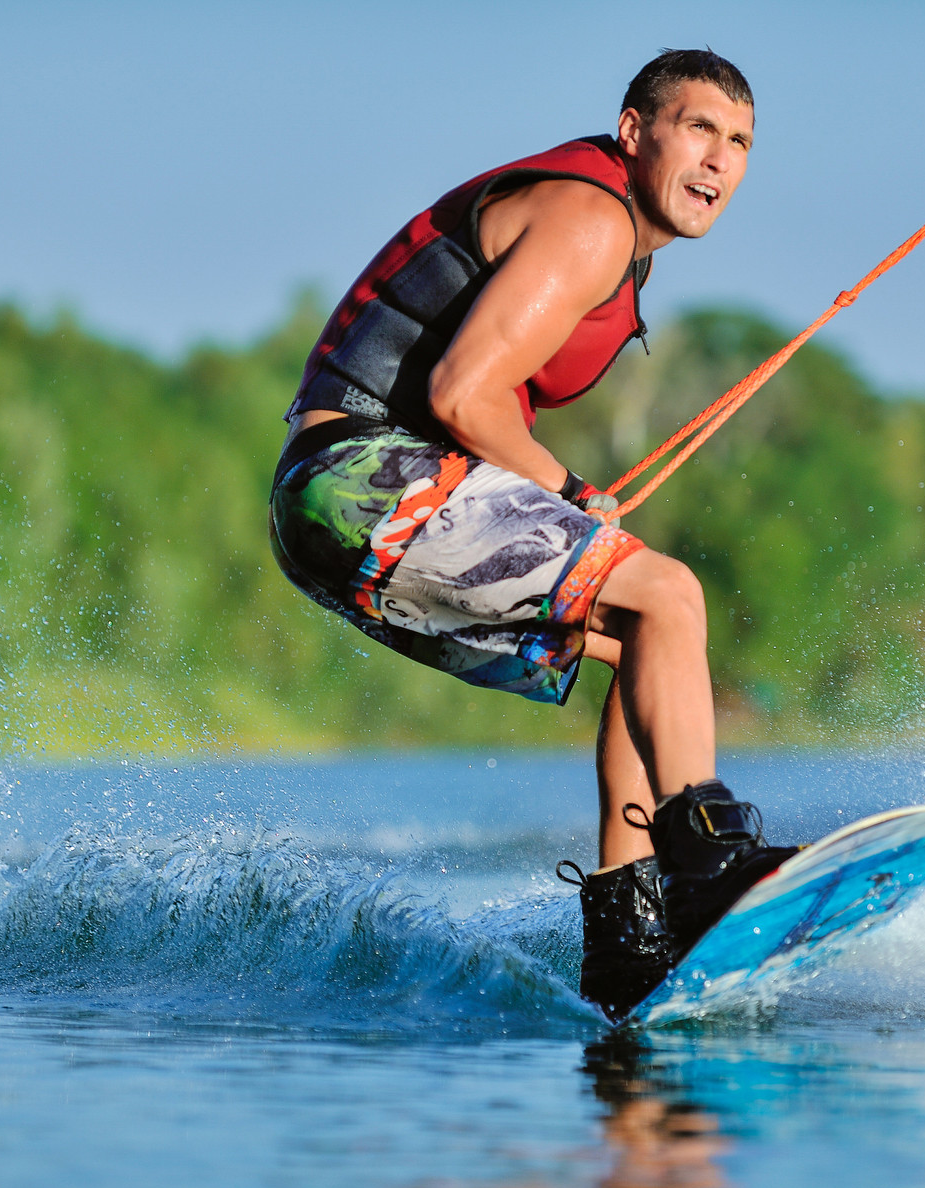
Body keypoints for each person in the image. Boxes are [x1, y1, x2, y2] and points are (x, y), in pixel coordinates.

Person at [269, 50, 793, 1019]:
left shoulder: (611, 237)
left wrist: (561, 500)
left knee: (653, 635)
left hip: (336, 505)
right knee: (669, 591)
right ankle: (712, 862)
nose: (718, 159)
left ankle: (627, 943)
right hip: (359, 482)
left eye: (739, 142)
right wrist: (569, 490)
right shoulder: (589, 217)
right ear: (634, 133)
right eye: (697, 129)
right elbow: (460, 395)